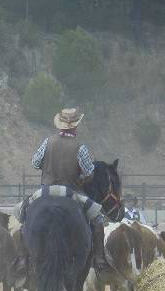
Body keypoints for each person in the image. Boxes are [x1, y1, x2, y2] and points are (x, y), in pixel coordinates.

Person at [30, 107, 108, 268]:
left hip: (45, 192)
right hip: (71, 192)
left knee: (23, 212)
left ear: (60, 125)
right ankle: (99, 259)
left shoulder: (48, 141)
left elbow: (35, 163)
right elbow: (89, 173)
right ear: (75, 126)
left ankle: (23, 257)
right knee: (98, 219)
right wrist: (81, 178)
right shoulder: (81, 147)